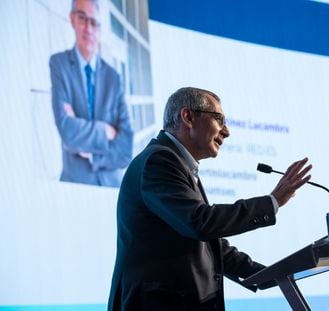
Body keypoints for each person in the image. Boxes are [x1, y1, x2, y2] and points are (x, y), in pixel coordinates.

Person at [108, 87, 312, 310]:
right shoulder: (160, 160)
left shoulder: (176, 163)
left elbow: (207, 243)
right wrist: (272, 202)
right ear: (188, 117)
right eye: (219, 120)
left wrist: (266, 273)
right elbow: (201, 222)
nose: (227, 131)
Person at [49, 0, 133, 187]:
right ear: (72, 19)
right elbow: (67, 131)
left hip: (112, 188)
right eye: (82, 18)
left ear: (100, 29)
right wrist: (106, 131)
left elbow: (126, 149)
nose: (88, 28)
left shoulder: (114, 77)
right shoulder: (59, 64)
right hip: (75, 185)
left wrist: (92, 154)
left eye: (94, 22)